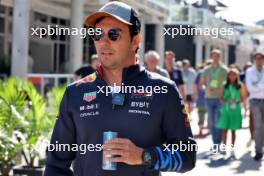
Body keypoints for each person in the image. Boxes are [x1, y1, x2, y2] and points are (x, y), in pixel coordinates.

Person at [44, 1, 196, 176]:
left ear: (135, 40)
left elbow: (187, 157)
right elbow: (55, 165)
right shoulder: (76, 92)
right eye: (97, 34)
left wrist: (144, 156)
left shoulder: (164, 90)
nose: (103, 42)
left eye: (114, 34)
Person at [199, 49, 228, 152]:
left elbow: (227, 85)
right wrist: (204, 88)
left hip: (220, 99)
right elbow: (201, 83)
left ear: (220, 57)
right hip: (208, 98)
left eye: (217, 56)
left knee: (217, 121)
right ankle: (214, 142)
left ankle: (217, 143)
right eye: (214, 56)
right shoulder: (206, 70)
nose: (215, 57)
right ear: (211, 56)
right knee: (211, 122)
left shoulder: (224, 70)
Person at [217, 68, 245, 157]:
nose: (232, 76)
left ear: (237, 76)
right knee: (224, 130)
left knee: (233, 131)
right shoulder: (224, 85)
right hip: (226, 109)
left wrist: (237, 101)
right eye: (230, 75)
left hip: (235, 109)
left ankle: (232, 149)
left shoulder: (240, 85)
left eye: (234, 75)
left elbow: (243, 97)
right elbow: (220, 97)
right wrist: (226, 103)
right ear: (228, 76)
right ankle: (224, 148)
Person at [245, 51, 264, 161]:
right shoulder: (249, 71)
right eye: (257, 58)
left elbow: (255, 86)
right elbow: (250, 88)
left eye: (261, 58)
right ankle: (258, 150)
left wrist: (257, 85)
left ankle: (261, 146)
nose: (259, 60)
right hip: (255, 101)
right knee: (258, 126)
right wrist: (261, 86)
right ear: (254, 60)